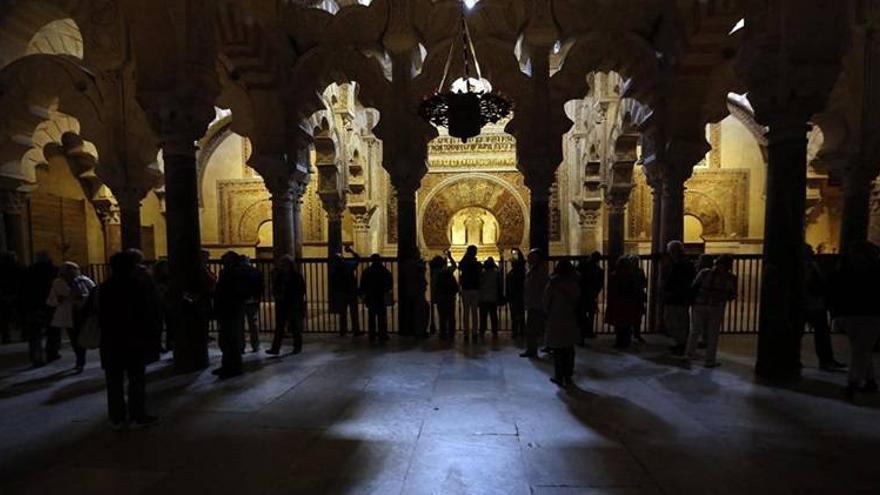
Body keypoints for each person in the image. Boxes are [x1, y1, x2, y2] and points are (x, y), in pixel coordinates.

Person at [99, 251, 160, 430]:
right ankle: (137, 416)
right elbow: (149, 313)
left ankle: (116, 418)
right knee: (136, 379)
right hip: (134, 339)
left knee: (114, 381)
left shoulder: (105, 286)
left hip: (111, 339)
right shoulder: (138, 286)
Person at [827, 241, 880, 401]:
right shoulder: (875, 271)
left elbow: (834, 291)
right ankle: (863, 382)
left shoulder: (843, 271)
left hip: (852, 315)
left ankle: (855, 384)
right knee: (862, 349)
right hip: (869, 315)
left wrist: (835, 313)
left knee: (860, 349)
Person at [686, 254, 737, 368]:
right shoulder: (730, 278)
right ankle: (709, 360)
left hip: (700, 304)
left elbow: (694, 286)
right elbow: (732, 295)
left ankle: (689, 355)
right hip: (716, 306)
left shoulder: (704, 273)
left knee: (695, 331)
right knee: (713, 334)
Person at [803, 244, 845, 371]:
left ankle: (826, 360)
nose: (813, 251)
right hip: (811, 304)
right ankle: (826, 360)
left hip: (812, 304)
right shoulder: (808, 265)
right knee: (822, 334)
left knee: (821, 333)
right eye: (810, 250)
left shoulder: (810, 265)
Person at [46, 262, 95, 373]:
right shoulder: (58, 283)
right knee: (74, 338)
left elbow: (93, 294)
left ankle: (80, 360)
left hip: (81, 313)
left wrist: (82, 298)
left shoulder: (84, 281)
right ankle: (80, 360)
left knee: (80, 337)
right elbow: (51, 300)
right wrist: (59, 300)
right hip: (68, 314)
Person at [545, 260, 581, 386]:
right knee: (569, 349)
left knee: (558, 350)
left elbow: (547, 300)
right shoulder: (574, 282)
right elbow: (577, 299)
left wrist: (546, 311)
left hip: (556, 317)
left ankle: (559, 376)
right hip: (570, 317)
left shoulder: (553, 282)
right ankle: (568, 376)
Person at [212, 252, 248, 378]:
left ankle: (233, 367)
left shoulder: (233, 274)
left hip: (230, 310)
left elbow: (227, 292)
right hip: (230, 310)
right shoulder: (234, 273)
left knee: (230, 340)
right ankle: (228, 365)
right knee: (228, 340)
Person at [20, 252, 58, 366]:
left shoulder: (28, 271)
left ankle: (37, 357)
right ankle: (52, 353)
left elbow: (22, 290)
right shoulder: (53, 270)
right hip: (50, 304)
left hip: (33, 305)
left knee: (35, 333)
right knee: (53, 331)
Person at [660, 241, 696, 355]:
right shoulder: (685, 263)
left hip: (676, 297)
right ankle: (681, 343)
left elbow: (674, 280)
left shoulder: (681, 264)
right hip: (679, 297)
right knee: (678, 321)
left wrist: (666, 289)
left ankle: (682, 344)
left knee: (675, 321)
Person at [267, 256, 307, 355]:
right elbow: (275, 287)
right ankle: (275, 348)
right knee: (280, 327)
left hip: (292, 303)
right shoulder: (280, 276)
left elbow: (301, 290)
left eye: (284, 264)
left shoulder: (296, 276)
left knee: (294, 327)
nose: (283, 266)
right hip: (283, 303)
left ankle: (297, 347)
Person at [606, 256, 643, 350]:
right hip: (629, 303)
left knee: (619, 324)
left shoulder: (614, 275)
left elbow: (612, 290)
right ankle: (626, 341)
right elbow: (636, 289)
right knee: (627, 323)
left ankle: (619, 342)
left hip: (618, 303)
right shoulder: (633, 275)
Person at [520, 249, 549, 358]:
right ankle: (533, 348)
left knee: (532, 328)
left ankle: (532, 349)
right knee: (533, 328)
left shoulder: (540, 271)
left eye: (531, 256)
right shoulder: (534, 269)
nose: (528, 259)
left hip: (537, 303)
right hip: (533, 302)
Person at [359, 254, 393, 342]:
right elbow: (389, 283)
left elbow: (363, 284)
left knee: (371, 317)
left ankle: (372, 335)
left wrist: (362, 294)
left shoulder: (367, 271)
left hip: (371, 296)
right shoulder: (384, 271)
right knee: (382, 316)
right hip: (380, 296)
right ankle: (382, 334)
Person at [329, 246, 361, 336]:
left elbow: (333, 283)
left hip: (341, 293)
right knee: (353, 312)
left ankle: (343, 331)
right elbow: (358, 258)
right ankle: (356, 330)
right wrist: (351, 251)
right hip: (351, 292)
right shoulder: (348, 265)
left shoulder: (334, 270)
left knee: (342, 313)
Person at [575, 252, 604, 345]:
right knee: (589, 314)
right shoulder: (597, 269)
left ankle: (582, 335)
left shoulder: (582, 265)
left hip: (583, 294)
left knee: (582, 315)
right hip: (589, 294)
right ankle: (587, 332)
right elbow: (599, 284)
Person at [456, 246, 482, 341]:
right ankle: (474, 332)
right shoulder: (476, 263)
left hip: (466, 289)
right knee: (474, 312)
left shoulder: (465, 263)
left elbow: (460, 266)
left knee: (466, 313)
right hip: (474, 289)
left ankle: (466, 333)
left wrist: (465, 256)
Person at [240, 255, 264, 353]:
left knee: (240, 324)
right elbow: (260, 286)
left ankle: (241, 346)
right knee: (253, 324)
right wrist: (257, 298)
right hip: (252, 300)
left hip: (240, 300)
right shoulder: (255, 271)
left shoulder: (237, 272)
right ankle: (255, 345)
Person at [433, 254, 459, 341]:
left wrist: (434, 297)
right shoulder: (448, 270)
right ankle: (451, 333)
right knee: (451, 315)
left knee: (442, 316)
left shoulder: (436, 272)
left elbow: (434, 285)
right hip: (450, 296)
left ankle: (443, 333)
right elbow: (455, 266)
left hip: (441, 296)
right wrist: (450, 257)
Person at [0, 252, 24, 344]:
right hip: (17, 295)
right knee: (21, 316)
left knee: (4, 318)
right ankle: (24, 334)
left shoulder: (1, 269)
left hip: (4, 295)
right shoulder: (19, 268)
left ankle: (6, 336)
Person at [151, 260, 173, 352]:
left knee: (169, 325)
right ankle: (159, 345)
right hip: (160, 304)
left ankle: (169, 344)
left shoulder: (162, 278)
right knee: (159, 326)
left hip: (165, 303)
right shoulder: (156, 279)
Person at [478, 257, 502, 339]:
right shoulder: (496, 273)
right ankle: (494, 332)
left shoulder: (482, 273)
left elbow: (479, 284)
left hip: (483, 298)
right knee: (493, 316)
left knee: (483, 317)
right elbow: (499, 285)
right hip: (493, 297)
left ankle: (482, 331)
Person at [628, 255, 648, 344]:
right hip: (635, 296)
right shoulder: (639, 271)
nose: (635, 263)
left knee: (636, 317)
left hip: (635, 297)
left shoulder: (633, 271)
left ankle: (635, 333)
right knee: (634, 317)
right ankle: (635, 334)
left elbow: (644, 283)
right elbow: (644, 283)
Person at [506, 249, 526, 339]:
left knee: (518, 314)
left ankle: (519, 331)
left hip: (517, 294)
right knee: (516, 314)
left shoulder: (517, 272)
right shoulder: (515, 272)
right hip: (515, 294)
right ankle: (519, 331)